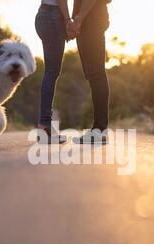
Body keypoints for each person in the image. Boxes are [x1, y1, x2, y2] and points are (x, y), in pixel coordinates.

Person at [35, 0, 111, 144]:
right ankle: (98, 130)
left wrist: (77, 19)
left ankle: (99, 130)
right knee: (94, 74)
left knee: (96, 74)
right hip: (83, 17)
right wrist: (73, 19)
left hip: (91, 16)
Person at [35, 0, 72, 144]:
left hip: (43, 14)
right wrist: (67, 20)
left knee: (51, 71)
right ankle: (45, 127)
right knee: (51, 72)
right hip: (53, 16)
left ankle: (44, 126)